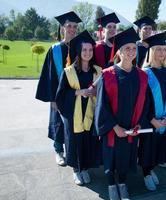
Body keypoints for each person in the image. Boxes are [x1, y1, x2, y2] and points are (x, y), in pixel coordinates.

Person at [94, 27, 149, 200]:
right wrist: (114, 126)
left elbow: (144, 102)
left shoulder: (141, 75)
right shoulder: (107, 75)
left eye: (133, 48)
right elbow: (101, 106)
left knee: (126, 157)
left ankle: (123, 183)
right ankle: (111, 184)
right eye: (127, 48)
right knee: (111, 158)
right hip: (113, 128)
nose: (131, 51)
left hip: (132, 128)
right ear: (119, 51)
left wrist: (140, 122)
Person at [55, 30, 102, 185]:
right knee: (74, 141)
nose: (87, 53)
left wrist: (95, 92)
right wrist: (79, 92)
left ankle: (85, 168)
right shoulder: (69, 71)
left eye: (90, 49)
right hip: (73, 113)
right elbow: (61, 95)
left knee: (88, 140)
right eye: (84, 50)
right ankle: (76, 170)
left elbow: (104, 92)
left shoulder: (98, 71)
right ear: (79, 51)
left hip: (90, 112)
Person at [35, 11, 82, 166]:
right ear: (62, 28)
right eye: (69, 26)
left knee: (74, 123)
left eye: (75, 26)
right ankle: (58, 150)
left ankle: (72, 150)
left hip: (76, 93)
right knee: (58, 123)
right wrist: (53, 99)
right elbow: (50, 76)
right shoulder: (55, 49)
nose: (72, 29)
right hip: (59, 95)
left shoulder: (80, 47)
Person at [139, 33, 166, 191]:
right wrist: (151, 119)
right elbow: (142, 102)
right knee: (148, 148)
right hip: (150, 120)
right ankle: (146, 173)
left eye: (164, 49)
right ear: (151, 51)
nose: (161, 53)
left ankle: (151, 169)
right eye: (158, 49)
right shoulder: (144, 73)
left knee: (160, 148)